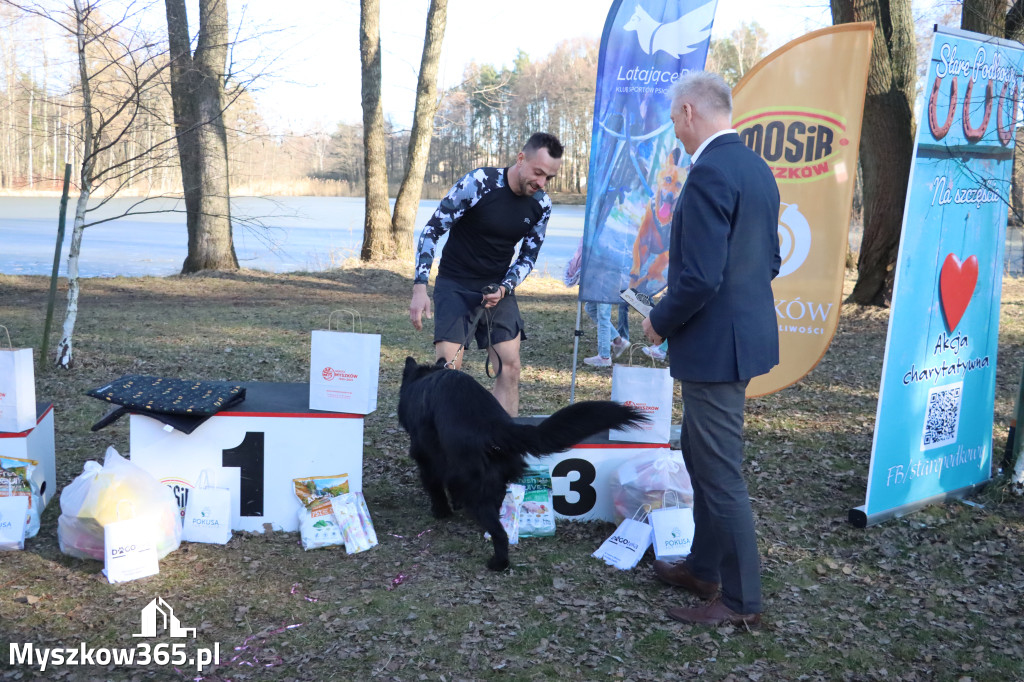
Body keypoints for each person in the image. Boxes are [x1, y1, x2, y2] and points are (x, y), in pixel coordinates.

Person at [641, 72, 780, 628]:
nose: (674, 128)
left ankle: (742, 602)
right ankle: (703, 567)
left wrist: (659, 319)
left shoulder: (707, 174)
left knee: (720, 474)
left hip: (715, 347)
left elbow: (698, 279)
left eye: (675, 117)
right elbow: (768, 261)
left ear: (691, 112)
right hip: (739, 339)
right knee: (699, 458)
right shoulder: (756, 168)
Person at [409, 132, 564, 417]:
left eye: (548, 178)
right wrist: (420, 286)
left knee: (510, 367)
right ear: (521, 159)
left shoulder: (541, 204)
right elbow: (432, 230)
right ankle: (447, 453)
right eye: (538, 173)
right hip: (455, 283)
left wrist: (505, 287)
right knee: (448, 372)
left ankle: (502, 449)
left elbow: (528, 257)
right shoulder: (479, 183)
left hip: (497, 287)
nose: (541, 183)